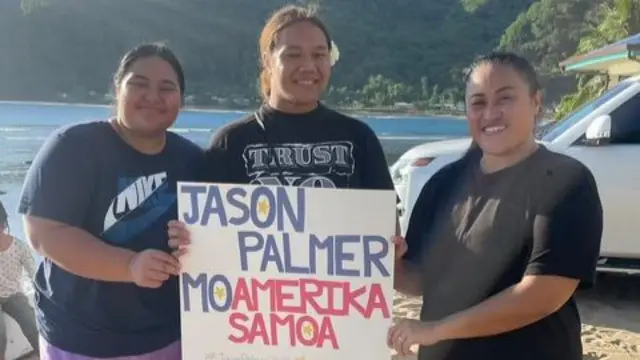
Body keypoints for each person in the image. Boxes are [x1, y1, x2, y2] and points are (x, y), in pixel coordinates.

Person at [387, 52, 603, 360]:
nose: (490, 113)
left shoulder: (566, 181)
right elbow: (419, 279)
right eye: (478, 102)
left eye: (505, 98)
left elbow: (543, 294)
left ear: (536, 102)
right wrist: (390, 266)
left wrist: (437, 329)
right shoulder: (443, 183)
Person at [18, 43, 204, 360]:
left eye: (167, 88)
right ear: (118, 89)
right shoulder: (72, 146)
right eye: (139, 84)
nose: (153, 96)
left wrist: (196, 239)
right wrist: (129, 266)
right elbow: (43, 233)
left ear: (181, 101)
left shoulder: (194, 160)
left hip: (169, 337)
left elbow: (215, 236)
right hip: (82, 341)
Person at [168, 4, 400, 251]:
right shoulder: (231, 142)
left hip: (339, 288)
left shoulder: (359, 139)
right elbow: (207, 241)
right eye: (293, 54)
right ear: (268, 60)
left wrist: (392, 248)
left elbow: (387, 228)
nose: (308, 66)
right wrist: (186, 240)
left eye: (319, 55)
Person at [0, 200, 39, 360]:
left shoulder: (19, 246)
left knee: (30, 322)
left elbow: (34, 274)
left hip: (13, 295)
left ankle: (47, 355)